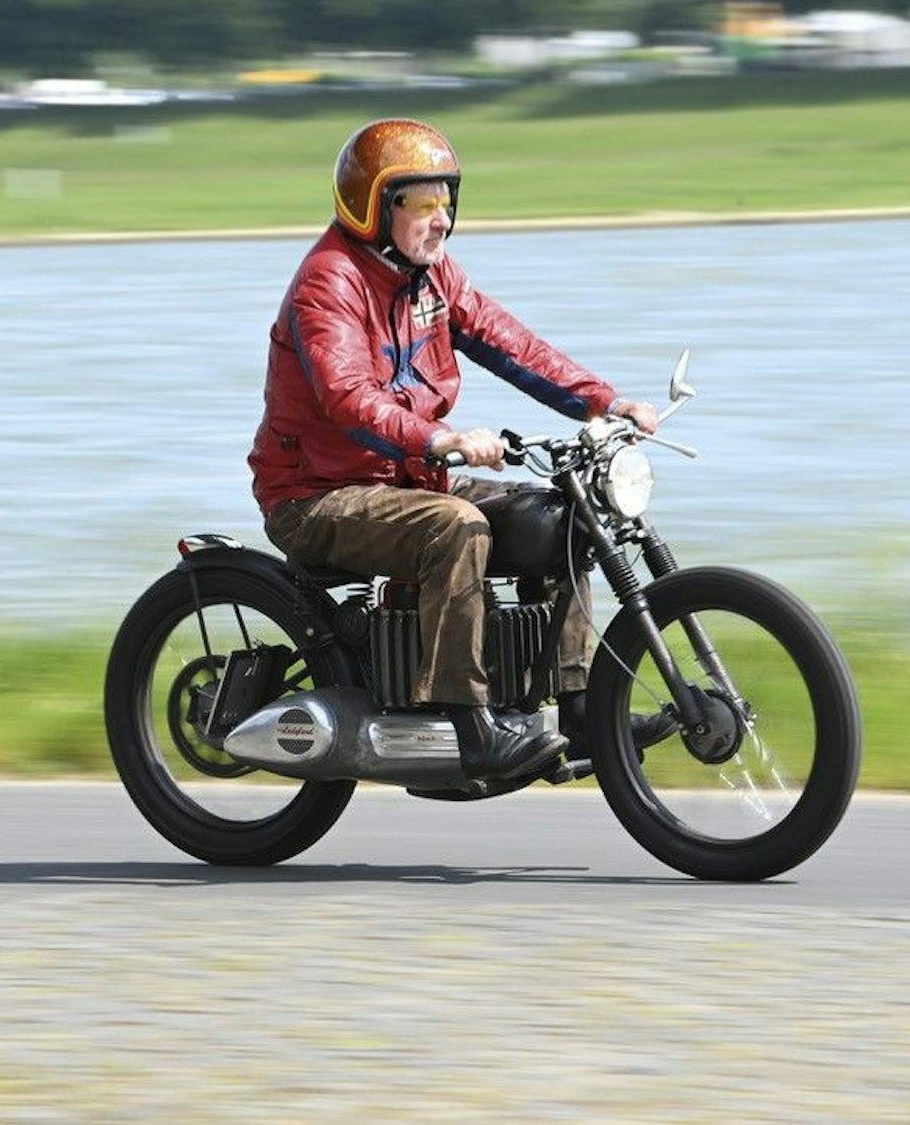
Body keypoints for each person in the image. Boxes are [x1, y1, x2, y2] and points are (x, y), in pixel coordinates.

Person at [249, 117, 664, 783]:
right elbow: (348, 398)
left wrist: (604, 401)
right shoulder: (329, 283)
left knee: (559, 518)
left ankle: (582, 707)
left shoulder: (431, 276)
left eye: (446, 200)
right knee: (457, 527)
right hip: (316, 494)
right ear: (372, 207)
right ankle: (469, 727)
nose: (440, 219)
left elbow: (507, 342)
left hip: (408, 481)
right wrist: (440, 439)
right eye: (421, 201)